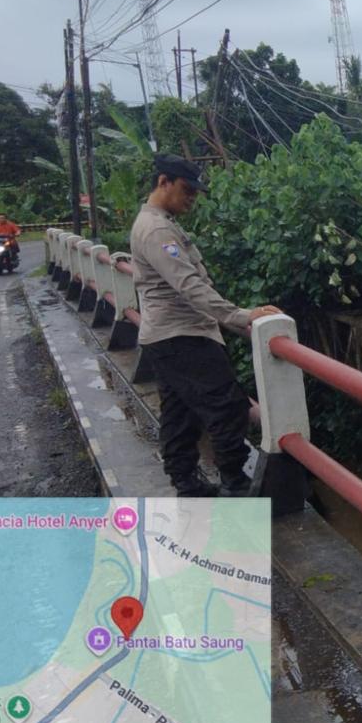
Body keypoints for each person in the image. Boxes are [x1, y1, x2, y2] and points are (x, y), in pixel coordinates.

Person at [130, 155, 280, 496]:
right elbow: (190, 286)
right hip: (181, 335)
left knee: (180, 412)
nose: (192, 198)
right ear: (164, 182)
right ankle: (235, 480)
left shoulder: (158, 222)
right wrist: (242, 316)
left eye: (196, 192)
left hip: (166, 336)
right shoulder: (157, 230)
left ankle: (185, 482)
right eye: (186, 189)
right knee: (229, 406)